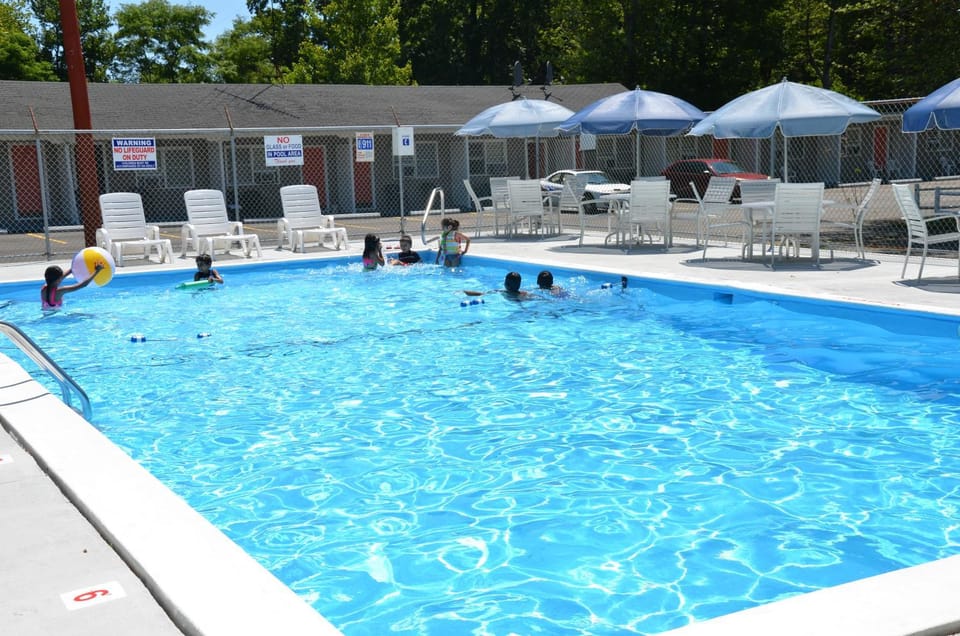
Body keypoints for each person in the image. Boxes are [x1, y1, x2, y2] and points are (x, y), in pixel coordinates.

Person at [464, 271, 535, 301]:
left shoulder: (501, 292)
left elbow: (481, 293)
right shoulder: (525, 293)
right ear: (519, 284)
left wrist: (465, 292)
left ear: (506, 284)